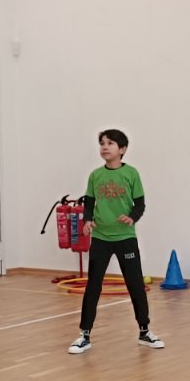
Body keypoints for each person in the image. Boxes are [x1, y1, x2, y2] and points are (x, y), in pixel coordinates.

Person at [66, 128, 163, 354]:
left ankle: (145, 331)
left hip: (125, 237)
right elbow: (89, 203)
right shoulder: (95, 176)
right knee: (93, 285)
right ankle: (84, 335)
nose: (104, 147)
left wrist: (132, 217)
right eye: (102, 143)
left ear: (122, 149)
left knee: (135, 284)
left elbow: (140, 204)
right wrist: (87, 220)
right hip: (101, 238)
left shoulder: (131, 174)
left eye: (110, 143)